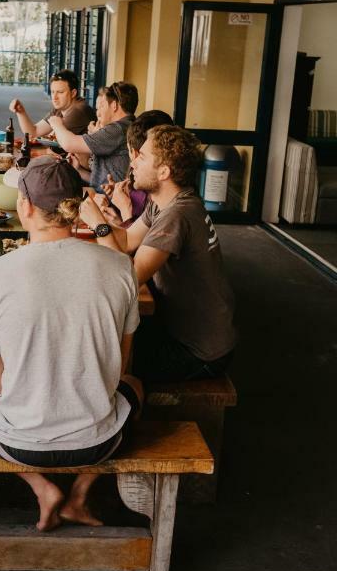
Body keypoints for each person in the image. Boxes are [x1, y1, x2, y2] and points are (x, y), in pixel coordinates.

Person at [0, 156, 143, 532]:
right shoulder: (121, 267)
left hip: (19, 444)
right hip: (100, 443)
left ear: (23, 207)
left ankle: (40, 486)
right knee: (136, 387)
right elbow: (120, 369)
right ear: (77, 209)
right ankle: (79, 495)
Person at [79, 124, 236, 382]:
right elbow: (128, 240)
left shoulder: (178, 214)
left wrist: (100, 225)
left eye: (142, 156)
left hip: (199, 351)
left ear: (164, 172)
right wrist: (102, 221)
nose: (133, 162)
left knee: (100, 362)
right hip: (179, 330)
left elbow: (129, 280)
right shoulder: (166, 201)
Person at [48, 81, 139, 192]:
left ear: (114, 105)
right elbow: (102, 182)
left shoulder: (117, 129)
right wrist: (78, 170)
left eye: (102, 105)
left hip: (108, 202)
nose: (98, 112)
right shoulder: (127, 125)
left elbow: (68, 144)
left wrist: (56, 123)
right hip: (104, 194)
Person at [98, 109, 174, 225]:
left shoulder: (171, 209)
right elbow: (132, 236)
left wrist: (125, 209)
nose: (133, 163)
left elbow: (135, 241)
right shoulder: (155, 199)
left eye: (142, 156)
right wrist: (119, 199)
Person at [9, 69, 96, 139]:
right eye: (53, 92)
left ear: (73, 93)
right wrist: (21, 112)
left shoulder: (79, 110)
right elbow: (34, 132)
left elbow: (54, 141)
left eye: (60, 92)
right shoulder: (61, 108)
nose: (54, 97)